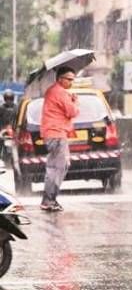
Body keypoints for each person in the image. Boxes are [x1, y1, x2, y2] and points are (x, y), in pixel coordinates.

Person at [39, 67, 79, 212]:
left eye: (73, 79)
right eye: (69, 79)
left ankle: (49, 199)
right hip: (56, 134)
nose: (71, 82)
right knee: (57, 168)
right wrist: (75, 101)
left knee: (57, 167)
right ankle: (49, 200)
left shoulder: (52, 91)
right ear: (60, 79)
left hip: (53, 133)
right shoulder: (60, 92)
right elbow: (72, 112)